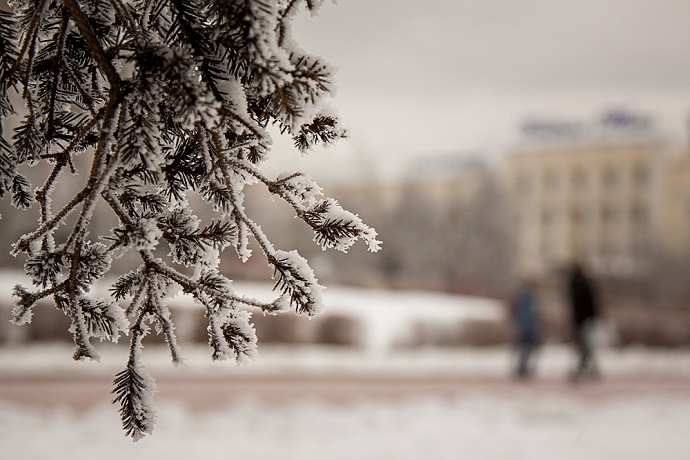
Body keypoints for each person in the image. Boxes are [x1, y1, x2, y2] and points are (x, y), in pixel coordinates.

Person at [566, 261, 601, 381]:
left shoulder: (574, 284)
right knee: (586, 346)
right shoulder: (584, 284)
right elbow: (591, 302)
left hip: (580, 320)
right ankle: (585, 368)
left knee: (585, 346)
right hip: (585, 319)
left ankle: (583, 368)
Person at [510, 277, 541, 379]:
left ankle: (523, 366)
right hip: (525, 326)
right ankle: (521, 367)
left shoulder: (531, 297)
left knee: (527, 348)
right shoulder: (523, 297)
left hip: (529, 325)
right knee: (524, 348)